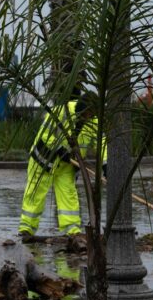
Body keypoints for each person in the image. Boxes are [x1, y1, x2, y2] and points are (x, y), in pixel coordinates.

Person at [18, 92, 104, 249]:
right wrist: (59, 150)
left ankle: (72, 230)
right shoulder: (61, 112)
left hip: (67, 166)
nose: (89, 116)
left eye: (92, 114)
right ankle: (26, 229)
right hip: (44, 160)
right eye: (88, 113)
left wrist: (105, 164)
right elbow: (46, 134)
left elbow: (103, 142)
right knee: (35, 193)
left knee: (68, 195)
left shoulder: (94, 121)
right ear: (82, 108)